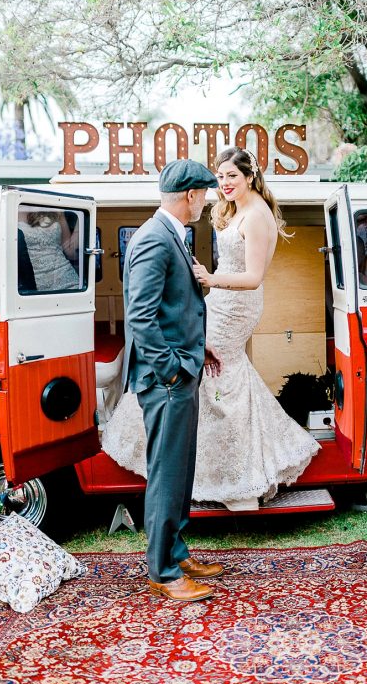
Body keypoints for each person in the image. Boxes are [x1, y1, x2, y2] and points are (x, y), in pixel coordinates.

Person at [103, 148, 320, 510]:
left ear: (250, 176)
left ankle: (235, 477)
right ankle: (207, 468)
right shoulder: (233, 211)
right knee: (215, 374)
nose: (224, 184)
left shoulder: (258, 215)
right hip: (219, 299)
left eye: (232, 176)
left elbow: (253, 277)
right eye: (220, 177)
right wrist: (208, 279)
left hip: (237, 305)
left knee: (217, 374)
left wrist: (211, 278)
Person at [122, 158, 224, 603]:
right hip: (166, 380)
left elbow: (171, 307)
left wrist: (197, 348)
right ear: (191, 195)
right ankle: (162, 571)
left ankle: (176, 551)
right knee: (167, 473)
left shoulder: (171, 235)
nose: (206, 201)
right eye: (205, 194)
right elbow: (141, 317)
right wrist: (174, 369)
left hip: (182, 368)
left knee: (180, 469)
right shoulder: (154, 239)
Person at [18, 211, 79, 291]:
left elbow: (70, 252)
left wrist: (83, 218)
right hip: (34, 289)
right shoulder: (7, 208)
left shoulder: (55, 209)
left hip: (69, 282)